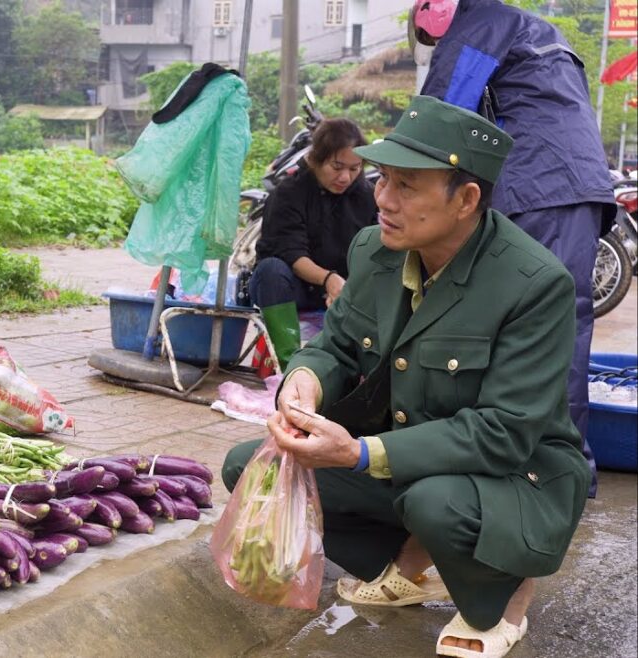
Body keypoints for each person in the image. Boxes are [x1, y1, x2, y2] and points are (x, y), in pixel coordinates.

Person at [222, 96, 590, 658]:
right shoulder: (376, 250)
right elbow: (339, 344)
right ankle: (415, 560)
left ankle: (510, 589)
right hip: (412, 459)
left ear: (467, 199)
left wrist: (360, 453)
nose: (383, 200)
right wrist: (305, 380)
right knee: (250, 468)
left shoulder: (533, 283)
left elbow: (503, 432)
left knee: (436, 502)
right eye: (382, 179)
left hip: (515, 474)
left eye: (407, 186)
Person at [412, 0, 614, 495]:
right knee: (564, 324)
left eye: (434, 41)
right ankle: (565, 472)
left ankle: (540, 477)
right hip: (581, 191)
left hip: (536, 192)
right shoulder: (537, 30)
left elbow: (436, 121)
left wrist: (396, 185)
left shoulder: (476, 27)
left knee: (528, 329)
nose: (438, 48)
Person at [251, 118, 377, 368]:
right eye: (337, 166)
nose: (345, 177)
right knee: (272, 270)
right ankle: (288, 366)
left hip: (343, 289)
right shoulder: (288, 193)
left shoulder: (366, 196)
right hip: (292, 288)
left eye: (354, 169)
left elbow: (375, 250)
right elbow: (291, 253)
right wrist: (329, 280)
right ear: (315, 160)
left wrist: (350, 288)